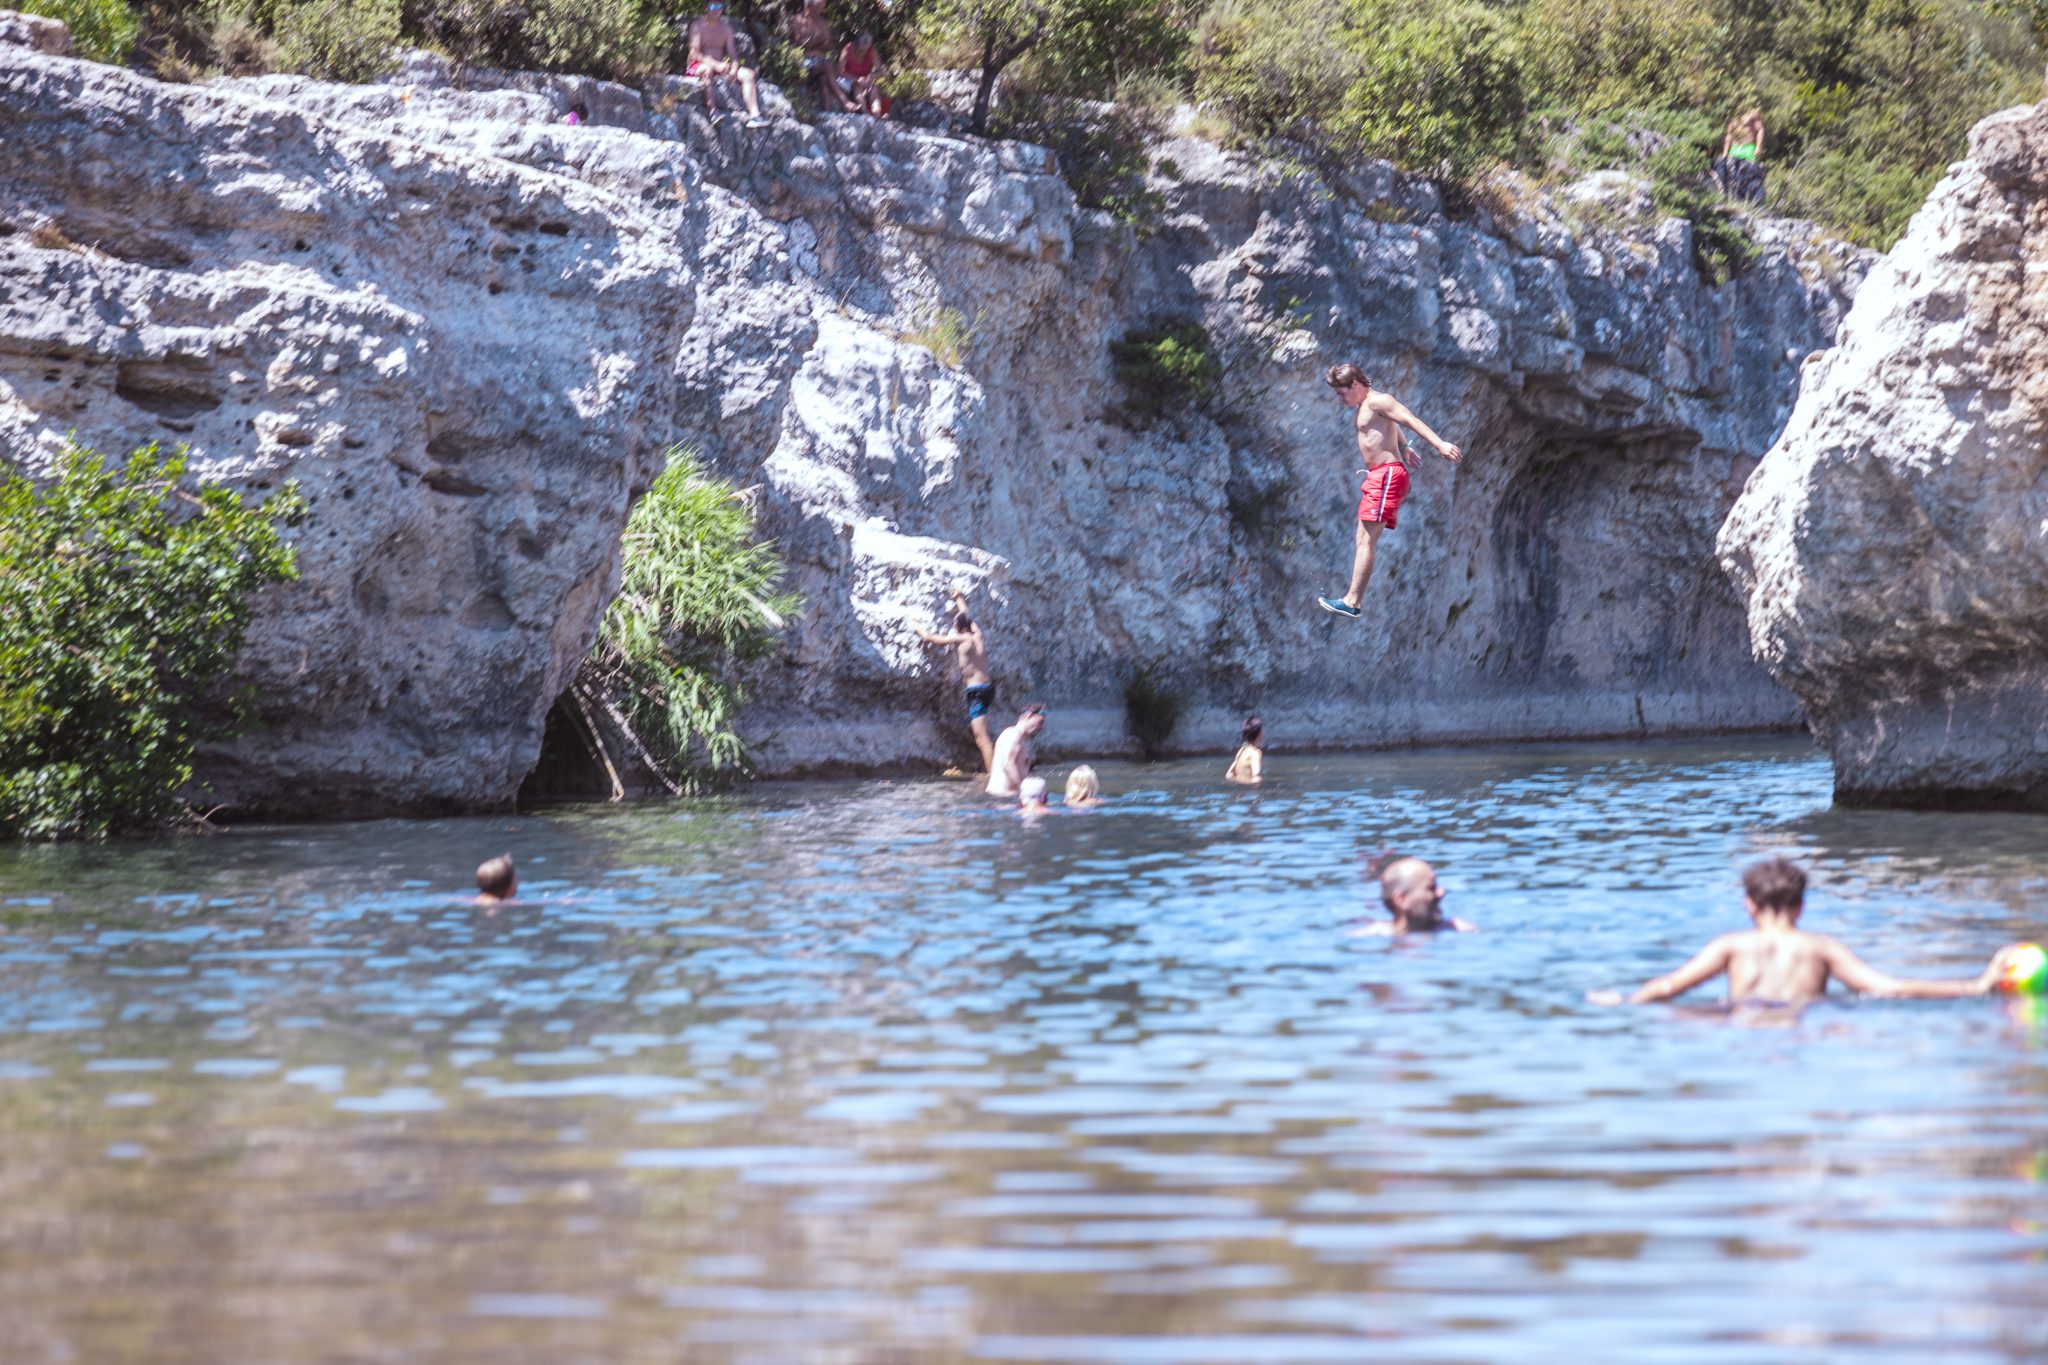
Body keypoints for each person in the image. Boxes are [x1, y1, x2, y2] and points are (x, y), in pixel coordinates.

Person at [1597, 857, 2020, 1006]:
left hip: (1743, 1026)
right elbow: (1889, 988)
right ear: (1801, 905)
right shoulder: (1821, 948)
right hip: (1806, 1025)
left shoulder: (1731, 946)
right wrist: (1976, 985)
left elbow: (1669, 987)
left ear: (1749, 904)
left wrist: (1626, 1001)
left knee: (1695, 1014)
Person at [1316, 363, 1461, 620]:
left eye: (1342, 393)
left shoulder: (1378, 401)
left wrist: (1440, 444)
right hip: (1380, 476)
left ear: (1356, 385)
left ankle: (1352, 602)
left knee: (1366, 540)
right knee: (1362, 539)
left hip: (1388, 475)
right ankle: (1351, 601)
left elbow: (1408, 418)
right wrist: (1404, 447)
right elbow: (1393, 425)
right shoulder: (1365, 405)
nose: (1340, 399)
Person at [917, 588, 998, 773]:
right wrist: (958, 598)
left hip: (976, 692)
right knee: (983, 733)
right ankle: (994, 769)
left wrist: (915, 626)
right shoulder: (977, 634)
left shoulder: (961, 638)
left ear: (958, 627)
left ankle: (993, 776)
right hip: (988, 688)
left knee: (981, 738)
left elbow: (931, 638)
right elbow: (967, 614)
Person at [686, 0, 770, 128]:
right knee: (708, 70)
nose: (716, 9)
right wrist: (715, 65)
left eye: (719, 6)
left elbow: (733, 53)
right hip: (695, 67)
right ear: (706, 8)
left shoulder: (726, 28)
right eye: (712, 6)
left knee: (748, 74)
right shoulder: (697, 26)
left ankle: (755, 115)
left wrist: (734, 67)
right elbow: (694, 53)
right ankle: (713, 112)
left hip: (719, 67)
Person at [1358, 853, 1474, 935]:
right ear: (1401, 900)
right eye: (1431, 888)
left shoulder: (1456, 928)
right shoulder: (1372, 935)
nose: (1441, 892)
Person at [790, 0, 858, 113]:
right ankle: (845, 102)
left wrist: (818, 43)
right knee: (827, 67)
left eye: (823, 7)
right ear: (810, 6)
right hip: (806, 62)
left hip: (820, 60)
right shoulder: (797, 20)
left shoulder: (821, 22)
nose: (822, 10)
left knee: (824, 78)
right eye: (820, 7)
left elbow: (830, 45)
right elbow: (799, 43)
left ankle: (827, 112)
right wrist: (816, 41)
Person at [987, 703, 1046, 798]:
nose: (1042, 727)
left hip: (1010, 796)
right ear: (1029, 716)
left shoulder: (1021, 739)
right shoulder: (1012, 735)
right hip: (1003, 797)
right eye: (1040, 722)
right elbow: (1008, 765)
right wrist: (1024, 792)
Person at [1714, 109, 1766, 204]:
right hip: (1734, 149)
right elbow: (1729, 135)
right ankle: (1728, 195)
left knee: (1747, 172)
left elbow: (1760, 129)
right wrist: (1725, 152)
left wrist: (1759, 146)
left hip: (1748, 148)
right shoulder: (1732, 113)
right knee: (1730, 173)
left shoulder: (1752, 113)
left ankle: (1750, 197)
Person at [837, 31, 890, 117]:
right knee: (857, 87)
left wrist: (872, 76)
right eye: (861, 50)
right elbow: (839, 72)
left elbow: (881, 72)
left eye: (866, 49)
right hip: (849, 79)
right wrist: (856, 79)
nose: (863, 51)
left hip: (865, 79)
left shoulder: (871, 52)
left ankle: (877, 112)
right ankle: (865, 113)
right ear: (856, 45)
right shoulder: (847, 50)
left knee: (873, 88)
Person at [1224, 714, 1264, 785]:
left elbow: (1228, 775)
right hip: (1250, 789)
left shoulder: (1242, 750)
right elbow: (1256, 777)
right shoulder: (1255, 753)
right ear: (1259, 733)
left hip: (1239, 788)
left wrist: (1239, 780)